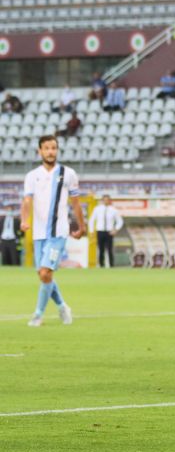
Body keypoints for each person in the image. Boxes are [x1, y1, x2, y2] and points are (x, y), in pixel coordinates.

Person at [21, 135, 82, 326]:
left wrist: (82, 226)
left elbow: (75, 203)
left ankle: (38, 314)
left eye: (54, 148)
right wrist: (24, 220)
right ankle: (63, 306)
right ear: (39, 151)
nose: (50, 152)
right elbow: (27, 201)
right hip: (39, 233)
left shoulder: (68, 173)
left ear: (57, 150)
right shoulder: (32, 176)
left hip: (58, 232)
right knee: (43, 274)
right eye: (46, 148)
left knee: (46, 272)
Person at [88, 194, 123, 268]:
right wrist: (91, 231)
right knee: (101, 250)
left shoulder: (114, 210)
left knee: (110, 249)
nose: (106, 201)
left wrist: (115, 229)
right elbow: (91, 220)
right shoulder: (97, 209)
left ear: (109, 201)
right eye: (104, 200)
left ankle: (111, 265)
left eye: (107, 200)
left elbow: (120, 221)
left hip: (109, 232)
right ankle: (101, 265)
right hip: (100, 231)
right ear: (102, 200)